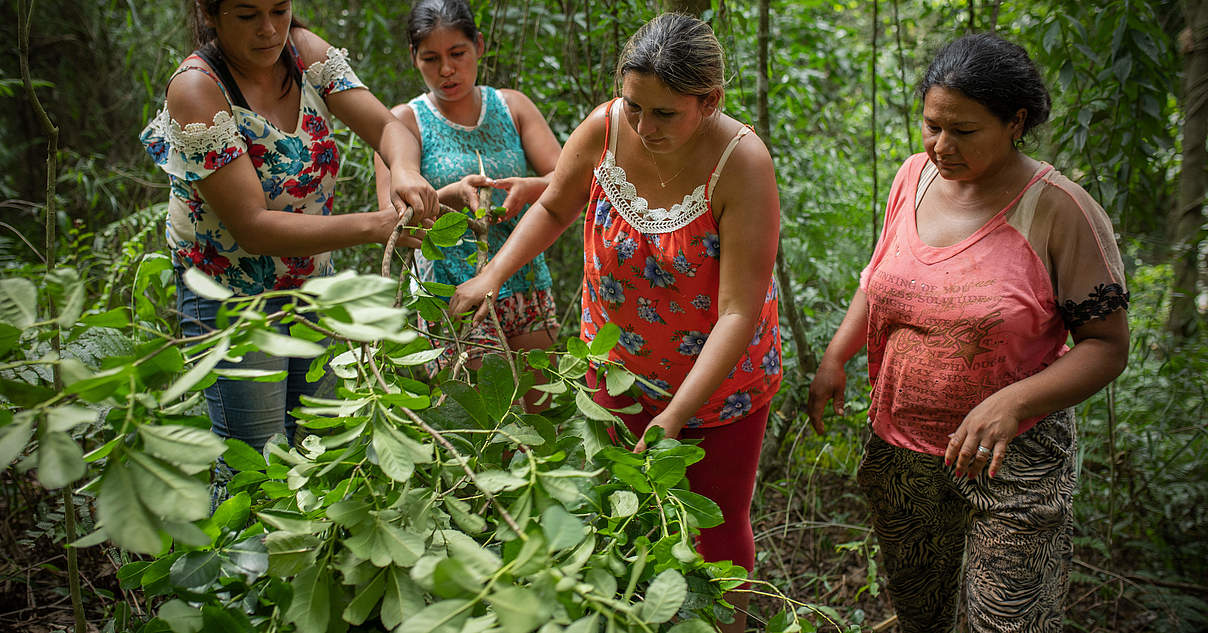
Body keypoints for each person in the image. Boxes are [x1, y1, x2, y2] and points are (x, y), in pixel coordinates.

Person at [450, 14, 782, 632]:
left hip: (715, 388)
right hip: (614, 366)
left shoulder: (743, 165)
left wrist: (677, 416)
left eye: (664, 114)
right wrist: (492, 275)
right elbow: (554, 204)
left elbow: (738, 310)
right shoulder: (606, 128)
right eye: (634, 106)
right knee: (615, 509)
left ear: (709, 102)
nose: (643, 126)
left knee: (713, 522)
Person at [806, 33, 1130, 633]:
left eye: (964, 131)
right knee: (919, 613)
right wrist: (836, 356)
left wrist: (1012, 402)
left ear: (1016, 122)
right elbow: (878, 278)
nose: (941, 146)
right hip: (902, 448)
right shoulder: (914, 178)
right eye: (932, 125)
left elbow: (1107, 347)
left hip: (1015, 457)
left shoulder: (1060, 211)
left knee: (1005, 623)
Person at [140, 0, 438, 453]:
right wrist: (374, 226)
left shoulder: (303, 52)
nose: (268, 29)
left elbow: (389, 129)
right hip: (231, 298)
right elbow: (253, 228)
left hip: (309, 283)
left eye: (279, 10)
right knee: (259, 456)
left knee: (322, 441)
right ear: (210, 14)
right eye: (246, 15)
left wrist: (405, 171)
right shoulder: (198, 89)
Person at [373, 0, 562, 408]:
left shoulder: (513, 107)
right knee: (482, 427)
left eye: (457, 54)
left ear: (477, 46)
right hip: (452, 294)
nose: (446, 70)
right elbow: (392, 227)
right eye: (431, 58)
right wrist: (445, 198)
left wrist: (529, 188)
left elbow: (566, 182)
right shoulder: (402, 123)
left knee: (542, 419)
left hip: (526, 280)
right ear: (413, 58)